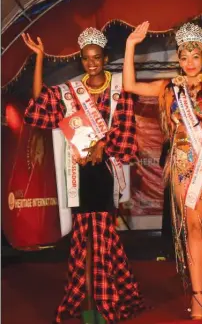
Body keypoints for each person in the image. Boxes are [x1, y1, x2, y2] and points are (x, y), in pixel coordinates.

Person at [123, 21, 202, 320]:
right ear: (178, 60)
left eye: (195, 56)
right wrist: (131, 45)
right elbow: (130, 84)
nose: (190, 63)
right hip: (184, 168)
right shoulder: (169, 89)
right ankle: (197, 297)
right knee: (193, 231)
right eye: (184, 57)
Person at [22, 28, 144, 324]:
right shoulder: (70, 92)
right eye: (86, 59)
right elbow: (40, 105)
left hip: (104, 174)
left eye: (97, 58)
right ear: (81, 60)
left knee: (101, 239)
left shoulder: (119, 91)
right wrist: (39, 59)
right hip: (78, 175)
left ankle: (103, 305)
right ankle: (90, 300)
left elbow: (126, 132)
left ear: (105, 58)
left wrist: (104, 145)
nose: (92, 63)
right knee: (83, 242)